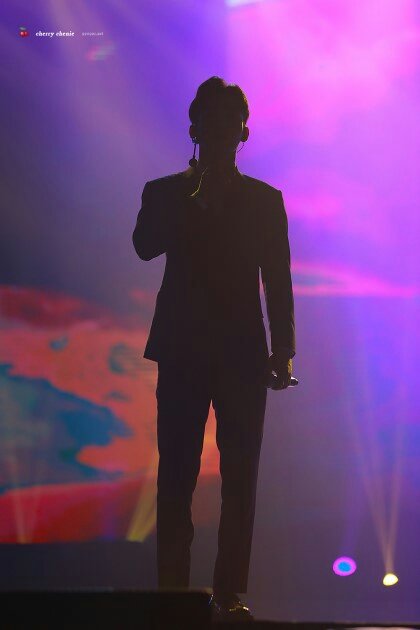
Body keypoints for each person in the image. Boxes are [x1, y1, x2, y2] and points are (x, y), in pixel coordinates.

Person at [132, 76, 296, 621]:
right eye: (212, 119)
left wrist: (283, 351)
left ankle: (228, 594)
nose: (223, 130)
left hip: (242, 354)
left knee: (240, 478)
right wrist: (196, 202)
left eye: (232, 121)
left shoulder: (265, 201)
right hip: (183, 350)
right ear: (194, 128)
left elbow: (278, 279)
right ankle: (172, 596)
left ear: (243, 132)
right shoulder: (164, 192)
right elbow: (144, 246)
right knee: (175, 478)